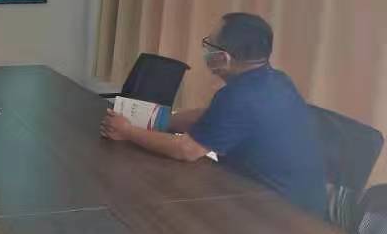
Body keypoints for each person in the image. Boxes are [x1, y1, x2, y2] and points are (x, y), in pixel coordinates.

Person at [101, 13, 328, 218]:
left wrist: (127, 131)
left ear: (223, 58)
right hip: (302, 202)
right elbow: (214, 116)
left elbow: (187, 150)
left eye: (209, 45)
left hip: (280, 214)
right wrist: (158, 120)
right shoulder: (276, 80)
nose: (205, 50)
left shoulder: (239, 95)